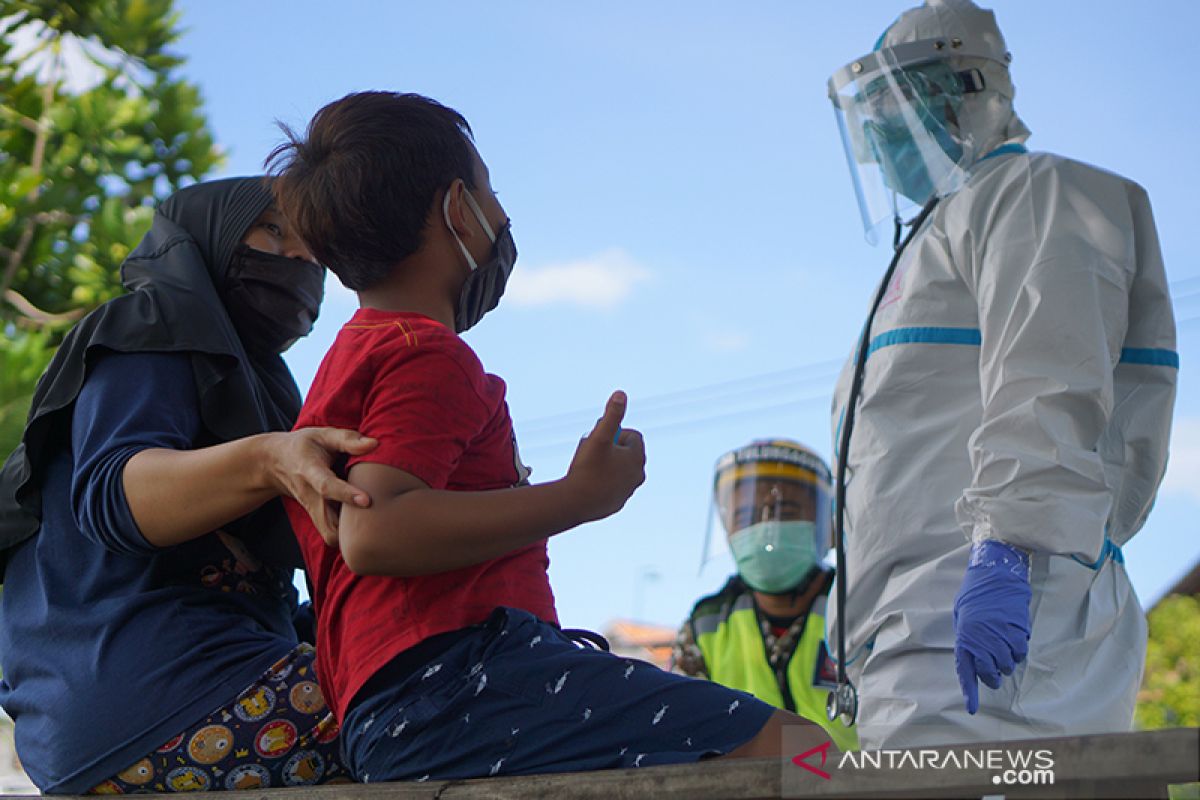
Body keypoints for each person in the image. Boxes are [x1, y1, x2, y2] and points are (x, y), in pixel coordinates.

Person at [270, 90, 831, 783]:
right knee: (806, 751)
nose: (502, 215)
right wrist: (580, 497)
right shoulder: (427, 354)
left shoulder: (350, 358)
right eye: (491, 191)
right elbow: (375, 530)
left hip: (395, 706)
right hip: (458, 686)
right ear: (456, 208)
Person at [823, 0, 1177, 748]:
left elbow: (1047, 383)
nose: (876, 140)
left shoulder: (1034, 196)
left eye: (889, 104)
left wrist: (1004, 552)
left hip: (1006, 620)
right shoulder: (934, 240)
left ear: (960, 87)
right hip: (910, 639)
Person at [0, 177, 377, 793]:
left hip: (164, 704)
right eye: (274, 231)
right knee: (434, 698)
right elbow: (116, 497)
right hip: (149, 702)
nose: (299, 258)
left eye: (312, 248)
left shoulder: (260, 386)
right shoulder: (151, 327)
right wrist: (267, 460)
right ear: (209, 238)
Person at [671, 439, 857, 751]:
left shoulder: (859, 605)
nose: (766, 525)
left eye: (786, 510)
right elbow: (681, 732)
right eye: (745, 515)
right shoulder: (706, 626)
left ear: (828, 525)